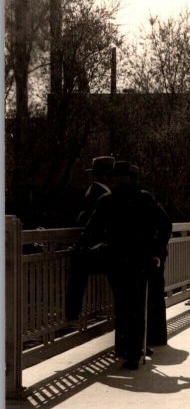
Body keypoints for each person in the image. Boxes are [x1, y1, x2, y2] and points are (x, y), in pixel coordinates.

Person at [76, 161, 172, 370]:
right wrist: (156, 251)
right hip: (141, 260)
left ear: (114, 179)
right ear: (133, 178)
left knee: (122, 304)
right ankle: (135, 353)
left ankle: (125, 349)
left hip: (116, 260)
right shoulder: (144, 198)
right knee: (137, 304)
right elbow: (165, 224)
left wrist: (83, 249)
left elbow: (91, 230)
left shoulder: (106, 201)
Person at [66, 156, 116, 322]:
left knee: (78, 263)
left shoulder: (99, 192)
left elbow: (87, 223)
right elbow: (90, 223)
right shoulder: (98, 193)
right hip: (109, 249)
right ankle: (73, 313)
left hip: (106, 248)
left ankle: (72, 313)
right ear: (107, 175)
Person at [131, 164, 172, 351]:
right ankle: (153, 338)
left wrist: (156, 250)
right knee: (152, 296)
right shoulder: (142, 198)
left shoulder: (143, 198)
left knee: (150, 296)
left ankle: (152, 338)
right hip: (150, 255)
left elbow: (165, 224)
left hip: (151, 256)